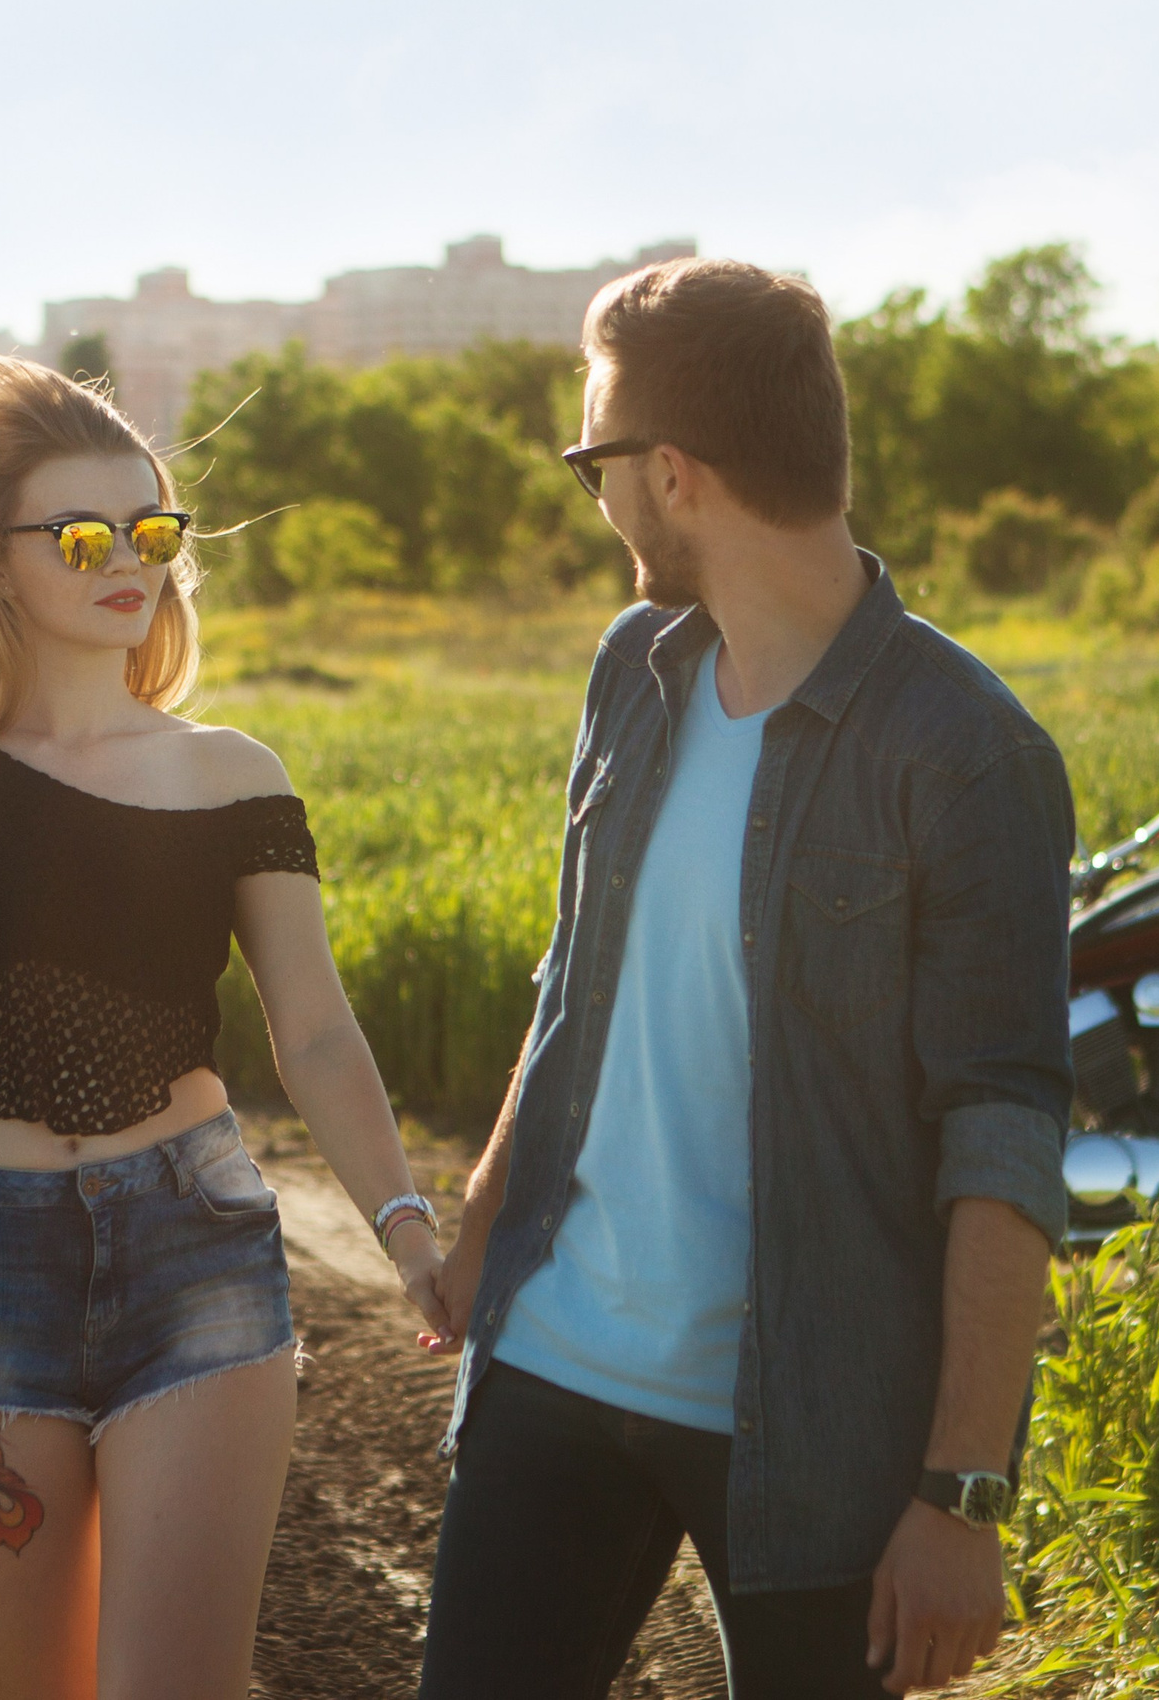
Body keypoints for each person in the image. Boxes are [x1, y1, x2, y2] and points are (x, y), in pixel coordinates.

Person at [0, 355, 450, 1699]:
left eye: (152, 531)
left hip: (193, 1246)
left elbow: (313, 1032)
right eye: (79, 535)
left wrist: (405, 1229)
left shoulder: (233, 776)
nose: (129, 561)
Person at [417, 259, 1075, 1699]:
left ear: (673, 474)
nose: (593, 498)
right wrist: (480, 1221)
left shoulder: (966, 754)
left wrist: (965, 1493)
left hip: (814, 1424)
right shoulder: (633, 671)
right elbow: (578, 976)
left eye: (595, 462)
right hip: (557, 1362)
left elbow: (1006, 1131)